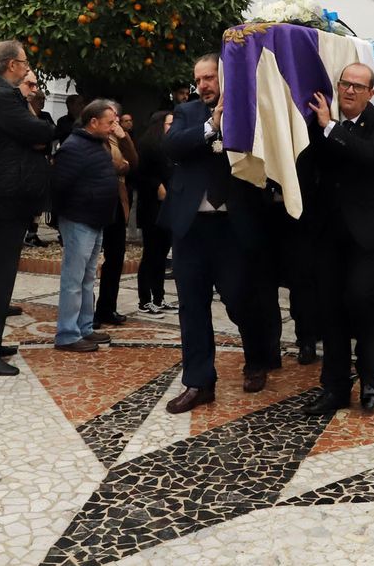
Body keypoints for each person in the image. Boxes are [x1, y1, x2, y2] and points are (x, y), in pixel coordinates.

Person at [159, 55, 270, 412]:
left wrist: (231, 119)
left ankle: (256, 358)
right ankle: (199, 381)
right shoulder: (189, 112)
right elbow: (174, 146)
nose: (204, 85)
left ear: (224, 77)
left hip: (233, 227)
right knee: (192, 306)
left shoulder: (248, 109)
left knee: (240, 300)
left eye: (210, 78)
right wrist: (212, 124)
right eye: (199, 79)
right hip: (191, 227)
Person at [303, 62, 374, 415]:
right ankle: (335, 387)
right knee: (330, 309)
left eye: (358, 86)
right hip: (329, 234)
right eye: (345, 84)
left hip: (368, 235)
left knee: (361, 303)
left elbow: (370, 155)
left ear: (371, 93)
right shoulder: (320, 121)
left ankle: (369, 378)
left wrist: (331, 128)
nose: (350, 91)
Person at [0, 41, 56, 375]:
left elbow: (33, 135)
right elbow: (42, 129)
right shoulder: (2, 96)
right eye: (25, 62)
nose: (26, 68)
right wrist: (40, 131)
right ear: (9, 65)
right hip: (5, 196)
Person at [49, 99, 130, 355]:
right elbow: (59, 186)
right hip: (78, 220)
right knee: (73, 279)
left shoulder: (97, 144)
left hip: (95, 220)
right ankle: (67, 333)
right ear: (93, 122)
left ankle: (84, 327)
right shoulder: (73, 148)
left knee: (87, 278)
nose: (112, 128)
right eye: (109, 123)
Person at [92, 106, 138, 328]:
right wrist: (122, 167)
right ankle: (85, 312)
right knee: (89, 259)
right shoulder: (92, 138)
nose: (114, 124)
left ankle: (107, 307)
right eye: (111, 120)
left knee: (116, 256)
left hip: (118, 201)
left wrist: (125, 138)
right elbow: (106, 166)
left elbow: (134, 163)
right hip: (97, 200)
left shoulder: (118, 137)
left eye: (116, 119)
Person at [133, 110, 174, 314]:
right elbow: (140, 175)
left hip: (168, 205)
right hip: (152, 206)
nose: (172, 128)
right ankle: (145, 299)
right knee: (151, 253)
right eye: (169, 124)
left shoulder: (170, 147)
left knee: (162, 254)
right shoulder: (147, 145)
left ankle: (159, 296)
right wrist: (157, 185)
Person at [17, 73, 54, 247]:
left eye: (43, 100)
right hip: (25, 166)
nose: (42, 103)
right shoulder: (22, 114)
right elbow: (29, 141)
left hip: (41, 164)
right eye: (39, 100)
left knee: (38, 204)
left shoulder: (45, 116)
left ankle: (32, 233)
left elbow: (49, 136)